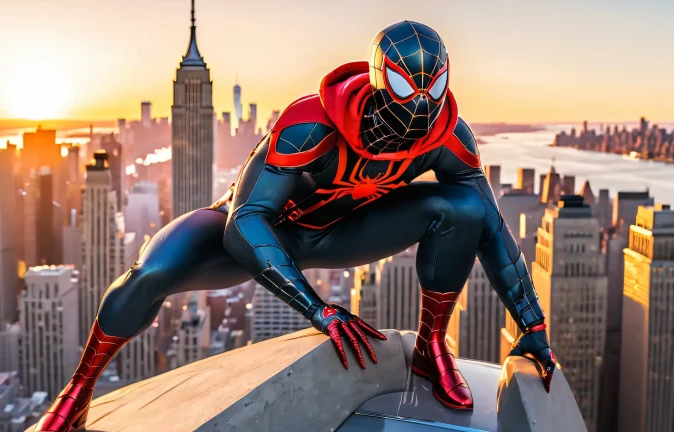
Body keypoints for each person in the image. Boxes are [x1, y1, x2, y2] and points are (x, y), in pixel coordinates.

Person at [35, 20, 555, 431]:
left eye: (432, 85)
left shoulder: (447, 135)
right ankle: (78, 390)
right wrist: (319, 310)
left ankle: (429, 346)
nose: (421, 101)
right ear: (380, 80)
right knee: (152, 271)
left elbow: (490, 225)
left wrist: (532, 326)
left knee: (463, 209)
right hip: (259, 233)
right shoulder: (312, 121)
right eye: (406, 83)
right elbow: (245, 223)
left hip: (343, 232)